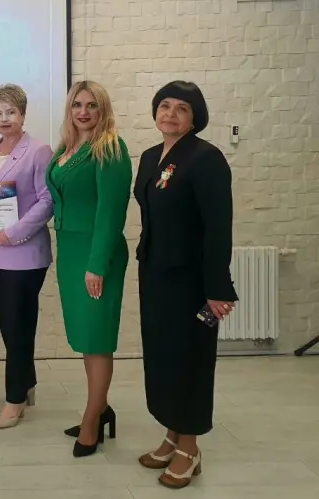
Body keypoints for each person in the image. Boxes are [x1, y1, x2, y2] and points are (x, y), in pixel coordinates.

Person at [134, 81, 237, 489]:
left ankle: (190, 448)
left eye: (182, 108)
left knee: (190, 359)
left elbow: (218, 227)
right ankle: (172, 434)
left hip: (192, 281)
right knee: (163, 357)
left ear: (195, 118)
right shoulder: (149, 157)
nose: (171, 114)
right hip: (155, 272)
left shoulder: (206, 158)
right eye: (165, 105)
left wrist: (218, 287)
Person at [45, 80, 132, 457]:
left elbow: (111, 213)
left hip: (97, 254)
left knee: (97, 340)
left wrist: (97, 265)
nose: (83, 112)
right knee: (85, 337)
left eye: (91, 105)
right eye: (77, 104)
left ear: (103, 109)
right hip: (70, 251)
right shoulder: (67, 147)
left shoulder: (110, 148)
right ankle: (101, 407)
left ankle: (92, 421)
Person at [0, 84, 53, 429]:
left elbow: (47, 201)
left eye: (11, 112)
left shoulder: (38, 151)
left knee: (18, 328)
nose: (4, 119)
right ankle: (27, 382)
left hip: (24, 254)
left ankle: (14, 399)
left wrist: (15, 231)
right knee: (10, 326)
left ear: (23, 114)